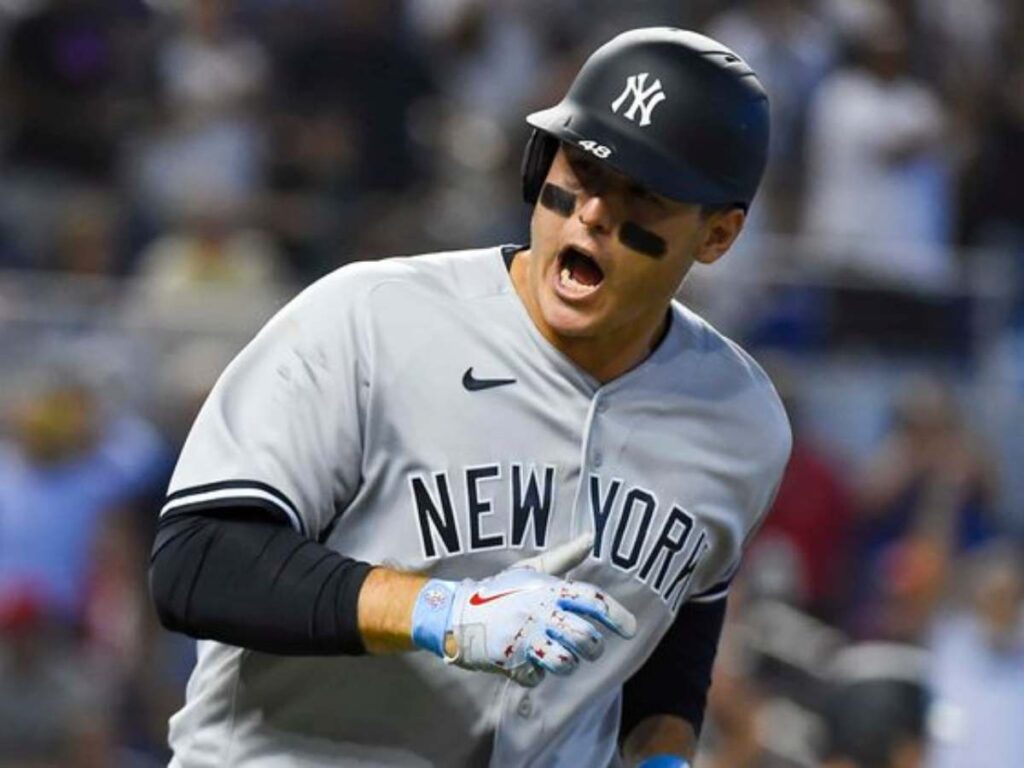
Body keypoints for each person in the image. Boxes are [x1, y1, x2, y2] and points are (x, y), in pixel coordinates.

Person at [149, 28, 791, 767]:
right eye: (582, 169)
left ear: (717, 235)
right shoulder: (371, 319)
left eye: (642, 193)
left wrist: (662, 756)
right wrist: (438, 611)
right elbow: (197, 560)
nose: (592, 213)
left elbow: (677, 629)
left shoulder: (742, 421)